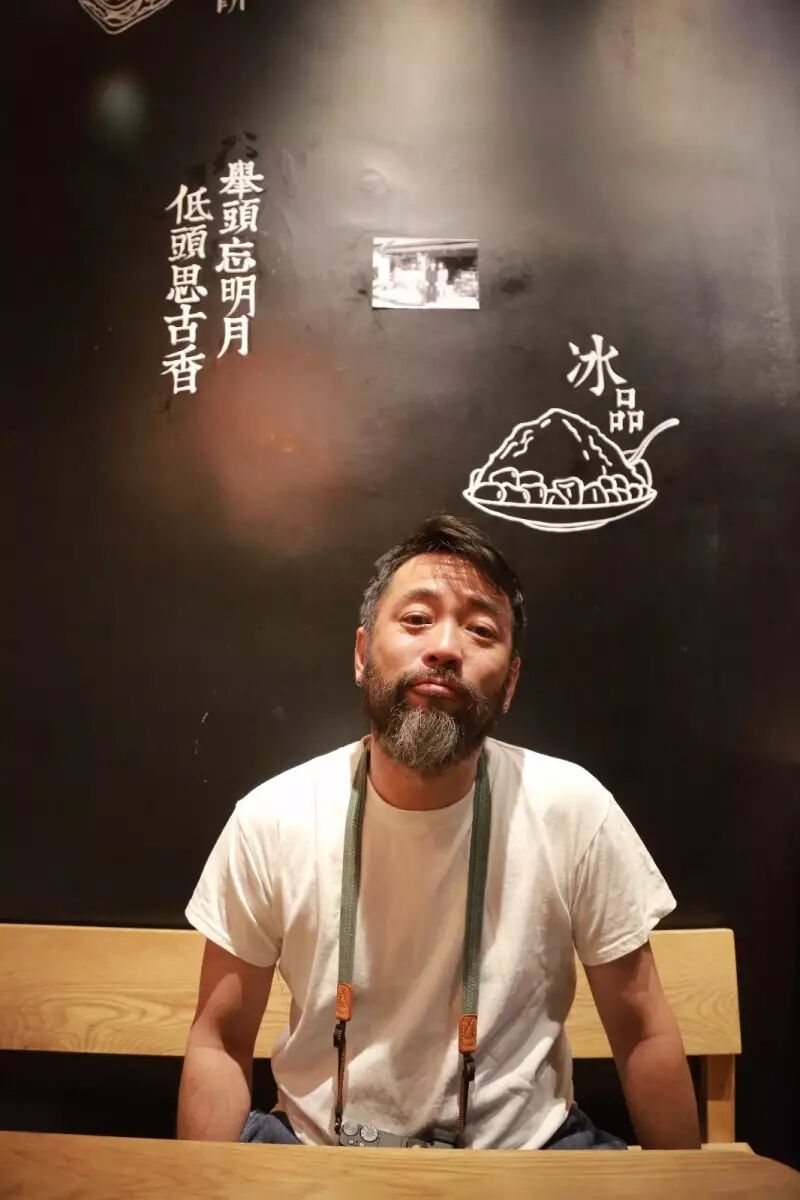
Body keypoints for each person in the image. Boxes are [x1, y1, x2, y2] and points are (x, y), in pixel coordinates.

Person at [177, 514, 701, 1151]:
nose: (446, 647)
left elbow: (643, 1032)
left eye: (480, 630)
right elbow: (220, 1040)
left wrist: (684, 1187)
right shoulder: (273, 817)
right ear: (362, 654)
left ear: (510, 683)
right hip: (318, 1152)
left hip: (524, 1157)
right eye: (417, 619)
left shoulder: (572, 809)